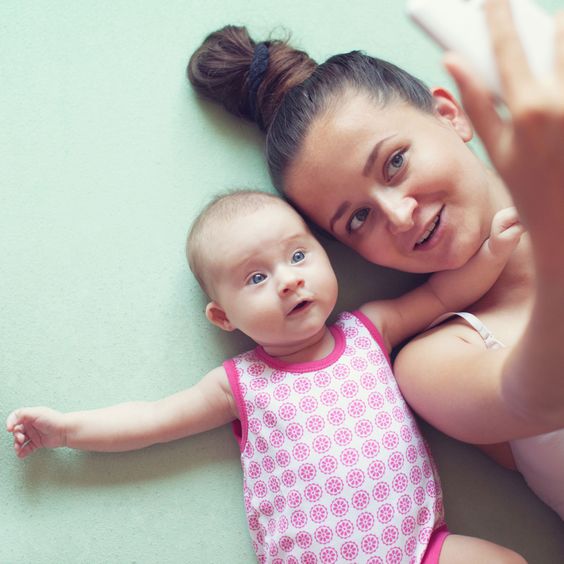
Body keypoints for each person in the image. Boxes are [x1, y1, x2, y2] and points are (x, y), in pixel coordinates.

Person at [186, 0, 564, 519]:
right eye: (357, 219)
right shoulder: (432, 363)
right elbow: (541, 396)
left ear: (450, 115)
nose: (400, 215)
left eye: (395, 162)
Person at [7, 190, 524, 563]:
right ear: (223, 317)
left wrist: (491, 254)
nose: (289, 279)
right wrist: (66, 430)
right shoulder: (240, 384)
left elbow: (439, 296)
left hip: (422, 550)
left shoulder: (371, 329)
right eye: (256, 277)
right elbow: (152, 419)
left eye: (299, 255)